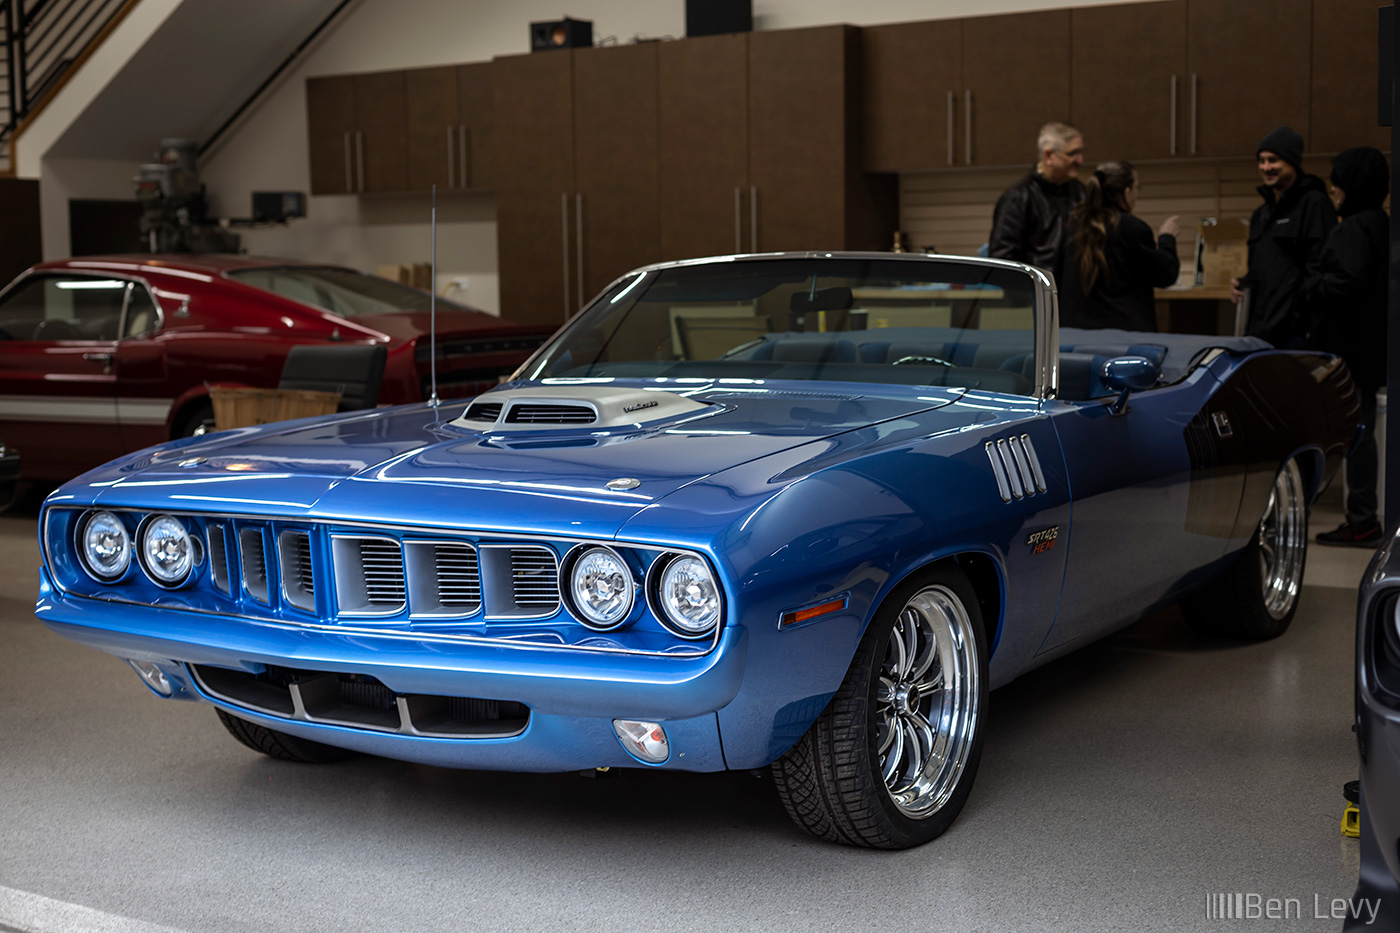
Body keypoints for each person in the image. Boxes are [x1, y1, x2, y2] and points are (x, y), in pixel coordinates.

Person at [1301, 146, 1389, 547]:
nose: (1333, 187)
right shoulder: (1380, 223)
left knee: (1357, 433)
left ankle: (1363, 521)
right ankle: (1364, 519)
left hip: (1349, 350)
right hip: (1371, 348)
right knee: (1363, 431)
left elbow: (1344, 284)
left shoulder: (1353, 228)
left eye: (1338, 179)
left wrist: (1311, 282)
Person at [1230, 126, 1335, 347]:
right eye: (1261, 161)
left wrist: (1300, 319)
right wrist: (1242, 283)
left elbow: (1319, 268)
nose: (1265, 167)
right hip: (1260, 330)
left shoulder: (1314, 203)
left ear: (1292, 162)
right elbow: (1266, 267)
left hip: (1294, 332)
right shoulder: (1261, 214)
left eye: (1273, 160)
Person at [1059, 161, 1181, 331]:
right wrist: (1167, 239)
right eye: (1137, 187)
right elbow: (1166, 275)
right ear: (1127, 192)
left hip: (1076, 332)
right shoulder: (1132, 228)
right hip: (1124, 335)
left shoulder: (1073, 225)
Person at [988, 122, 1086, 285]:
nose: (1080, 160)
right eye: (1073, 153)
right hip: (1035, 300)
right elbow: (1002, 260)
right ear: (1048, 156)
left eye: (1081, 153)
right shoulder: (1018, 197)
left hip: (1074, 299)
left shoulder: (1081, 192)